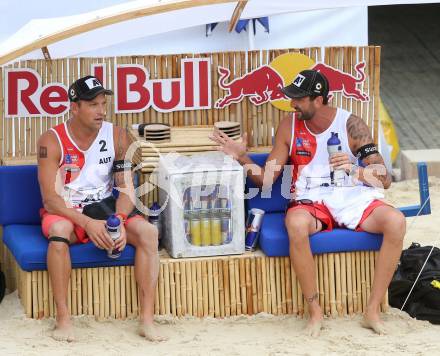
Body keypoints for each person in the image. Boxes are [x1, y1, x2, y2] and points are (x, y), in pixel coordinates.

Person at [210, 69, 405, 337]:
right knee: (296, 223)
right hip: (310, 197)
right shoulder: (288, 125)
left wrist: (353, 169)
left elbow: (384, 180)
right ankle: (314, 311)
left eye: (299, 99)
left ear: (318, 99)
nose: (292, 104)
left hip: (350, 196)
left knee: (396, 222)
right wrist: (242, 157)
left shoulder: (352, 125)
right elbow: (267, 180)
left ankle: (372, 310)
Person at [37, 75, 166, 342]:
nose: (101, 111)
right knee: (59, 230)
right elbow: (50, 200)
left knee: (149, 234)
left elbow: (126, 187)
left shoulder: (118, 135)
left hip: (106, 208)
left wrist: (117, 220)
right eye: (93, 105)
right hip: (68, 210)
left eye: (103, 103)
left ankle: (147, 320)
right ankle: (63, 319)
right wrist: (86, 223)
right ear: (75, 107)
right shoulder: (50, 140)